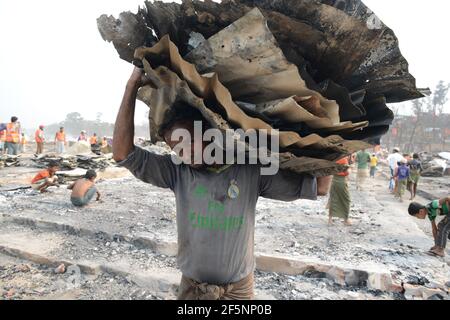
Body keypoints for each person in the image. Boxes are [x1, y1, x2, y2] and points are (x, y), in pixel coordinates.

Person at [113, 67, 332, 300]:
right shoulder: (176, 172)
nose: (184, 153)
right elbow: (122, 154)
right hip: (192, 290)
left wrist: (333, 135)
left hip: (237, 292)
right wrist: (131, 87)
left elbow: (319, 187)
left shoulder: (250, 170)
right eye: (176, 148)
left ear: (210, 133)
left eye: (189, 142)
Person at [328, 157, 351, 226]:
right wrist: (350, 170)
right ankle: (346, 220)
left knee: (333, 199)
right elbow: (347, 172)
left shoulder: (334, 158)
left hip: (333, 181)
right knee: (346, 200)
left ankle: (330, 220)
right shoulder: (344, 159)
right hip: (341, 181)